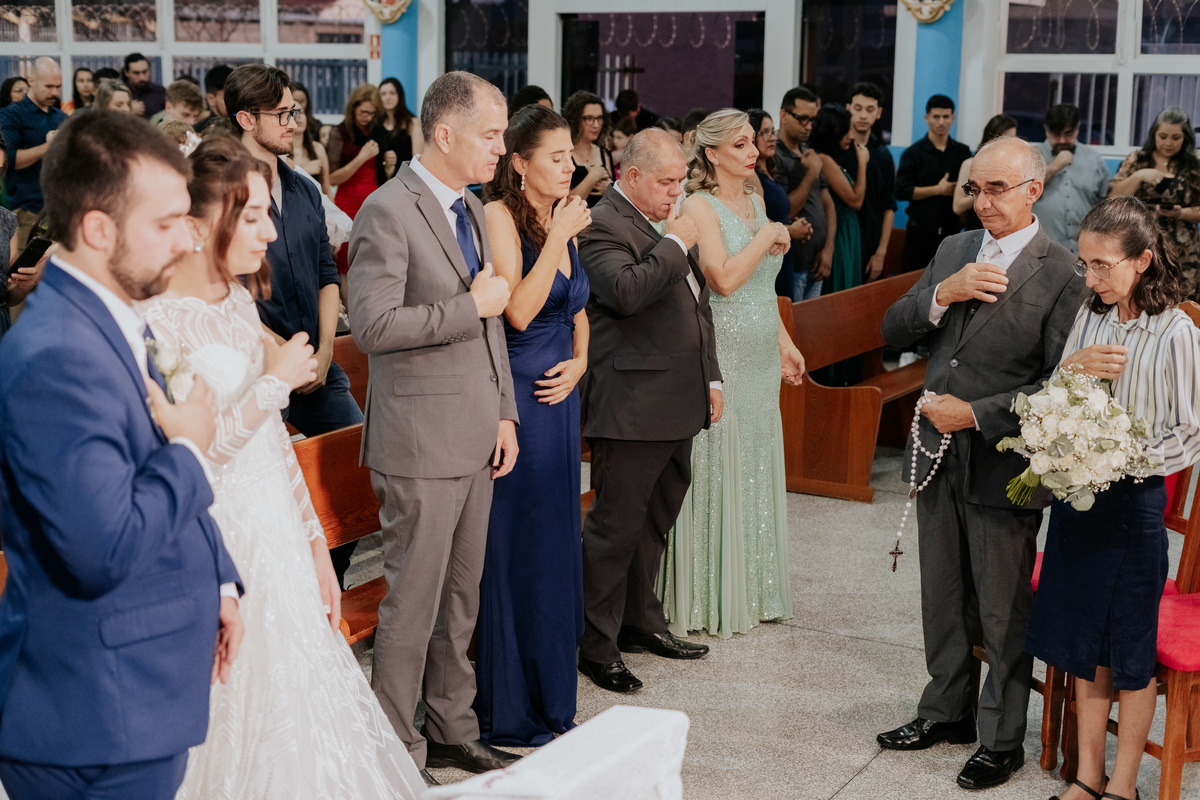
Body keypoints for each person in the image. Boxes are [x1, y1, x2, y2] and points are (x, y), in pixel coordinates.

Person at [144, 136, 424, 800]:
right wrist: (275, 383)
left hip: (274, 528)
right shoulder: (156, 323)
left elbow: (272, 441)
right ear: (202, 221)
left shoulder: (238, 304)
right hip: (216, 535)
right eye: (253, 217)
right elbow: (195, 455)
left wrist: (315, 546)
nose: (270, 233)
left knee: (300, 711)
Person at [0, 109, 243, 800]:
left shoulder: (115, 317)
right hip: (95, 716)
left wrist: (218, 580)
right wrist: (191, 448)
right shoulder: (57, 356)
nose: (187, 238)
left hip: (138, 691)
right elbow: (101, 546)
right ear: (98, 230)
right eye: (164, 224)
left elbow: (143, 464)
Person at [878, 137, 1084, 790]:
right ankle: (946, 711)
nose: (983, 202)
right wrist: (943, 293)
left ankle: (1001, 740)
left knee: (1001, 609)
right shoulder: (953, 249)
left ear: (1034, 189)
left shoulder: (1063, 273)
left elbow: (1063, 386)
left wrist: (977, 414)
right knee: (942, 595)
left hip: (1002, 459)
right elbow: (893, 328)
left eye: (997, 189)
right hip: (935, 451)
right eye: (975, 188)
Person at [347, 70, 521, 781]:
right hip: (419, 443)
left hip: (476, 433)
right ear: (444, 134)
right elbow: (372, 326)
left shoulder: (472, 207)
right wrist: (468, 307)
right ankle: (395, 746)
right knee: (413, 607)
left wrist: (504, 411)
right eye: (491, 134)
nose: (501, 148)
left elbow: (493, 324)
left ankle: (453, 727)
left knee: (460, 602)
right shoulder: (388, 210)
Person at [1030, 195, 1200, 800]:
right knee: (1084, 643)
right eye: (1085, 264)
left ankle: (1123, 786)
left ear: (1143, 260)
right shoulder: (1091, 315)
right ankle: (1088, 776)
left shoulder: (1176, 330)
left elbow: (1189, 433)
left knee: (1128, 651)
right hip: (1081, 501)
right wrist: (1071, 370)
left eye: (1103, 265)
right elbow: (1056, 394)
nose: (1090, 278)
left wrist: (1121, 460)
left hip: (1134, 507)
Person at [577, 128, 718, 694]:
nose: (677, 191)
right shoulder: (601, 223)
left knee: (654, 522)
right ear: (631, 176)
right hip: (631, 404)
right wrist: (676, 241)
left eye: (681, 180)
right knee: (614, 529)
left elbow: (698, 303)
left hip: (679, 397)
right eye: (667, 181)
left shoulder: (665, 221)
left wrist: (711, 375)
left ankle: (640, 622)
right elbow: (625, 291)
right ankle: (596, 646)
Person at [660, 109, 801, 639]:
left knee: (755, 462)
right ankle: (705, 595)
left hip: (761, 356)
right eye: (739, 144)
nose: (751, 150)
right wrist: (770, 236)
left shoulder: (757, 202)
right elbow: (720, 279)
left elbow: (762, 288)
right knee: (719, 461)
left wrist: (784, 342)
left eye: (752, 142)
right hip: (723, 352)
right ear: (712, 153)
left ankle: (751, 587)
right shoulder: (698, 204)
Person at [475, 104, 592, 746]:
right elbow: (517, 311)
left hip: (562, 397)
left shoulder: (562, 218)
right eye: (556, 156)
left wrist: (582, 362)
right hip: (518, 397)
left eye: (571, 155)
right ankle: (510, 705)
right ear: (519, 163)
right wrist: (555, 237)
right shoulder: (500, 216)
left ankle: (553, 698)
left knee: (555, 545)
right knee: (520, 545)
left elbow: (578, 309)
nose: (569, 165)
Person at [226, 64, 363, 585]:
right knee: (264, 497)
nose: (294, 123)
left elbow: (327, 273)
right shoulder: (224, 189)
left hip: (316, 362)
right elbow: (222, 289)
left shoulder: (303, 188)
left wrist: (325, 350)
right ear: (246, 119)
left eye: (295, 111)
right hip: (257, 367)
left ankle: (327, 584)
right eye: (282, 114)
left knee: (357, 469)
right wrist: (283, 354)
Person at [1109, 106, 1200, 302]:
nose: (1168, 143)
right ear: (1154, 134)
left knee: (1183, 304)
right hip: (1142, 243)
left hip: (1183, 250)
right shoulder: (1138, 159)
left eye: (1176, 138)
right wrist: (1139, 176)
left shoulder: (1194, 165)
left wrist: (1181, 213)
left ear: (1185, 138)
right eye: (1163, 136)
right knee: (1140, 298)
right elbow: (1113, 197)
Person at [896, 94, 972, 272]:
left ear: (952, 118)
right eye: (936, 116)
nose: (941, 122)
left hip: (952, 235)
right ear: (927, 117)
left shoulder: (962, 152)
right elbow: (901, 191)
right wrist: (937, 190)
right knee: (913, 283)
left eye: (945, 116)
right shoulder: (912, 153)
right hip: (919, 235)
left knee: (951, 282)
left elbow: (971, 188)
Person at [774, 86, 834, 301]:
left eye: (812, 120)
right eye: (802, 119)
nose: (808, 126)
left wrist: (828, 249)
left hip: (817, 261)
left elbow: (828, 204)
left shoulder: (808, 152)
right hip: (793, 263)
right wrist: (811, 173)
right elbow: (786, 211)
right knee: (795, 322)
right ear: (783, 115)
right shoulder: (775, 156)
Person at [0, 57, 65, 249]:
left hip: (59, 209)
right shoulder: (11, 115)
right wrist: (48, 147)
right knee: (23, 266)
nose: (54, 92)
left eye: (58, 86)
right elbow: (8, 160)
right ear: (31, 81)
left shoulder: (61, 117)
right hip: (25, 211)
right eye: (49, 86)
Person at [747, 108, 812, 298]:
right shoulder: (751, 175)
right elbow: (756, 219)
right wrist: (792, 230)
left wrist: (795, 225)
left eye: (773, 131)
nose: (772, 138)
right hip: (770, 251)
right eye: (765, 132)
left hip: (782, 251)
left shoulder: (768, 169)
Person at [1032, 104, 1111, 256]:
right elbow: (1022, 190)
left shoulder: (1093, 159)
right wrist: (1054, 166)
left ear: (1077, 129)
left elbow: (1105, 202)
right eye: (1056, 134)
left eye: (1068, 134)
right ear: (1046, 130)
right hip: (1042, 250)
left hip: (1085, 251)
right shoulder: (1031, 156)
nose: (1062, 140)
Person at [810, 104, 868, 295]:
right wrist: (862, 162)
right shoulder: (824, 159)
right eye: (845, 131)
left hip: (848, 230)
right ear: (832, 133)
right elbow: (856, 201)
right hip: (839, 231)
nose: (850, 136)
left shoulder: (832, 158)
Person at [842, 82, 896, 282]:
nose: (863, 115)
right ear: (848, 109)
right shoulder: (838, 150)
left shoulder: (883, 155)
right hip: (843, 242)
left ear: (879, 113)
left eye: (870, 109)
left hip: (872, 245)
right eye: (858, 108)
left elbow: (888, 207)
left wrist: (881, 252)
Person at [328, 83, 382, 282]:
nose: (367, 117)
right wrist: (361, 157)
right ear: (353, 108)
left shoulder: (377, 130)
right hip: (348, 203)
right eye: (363, 112)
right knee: (345, 262)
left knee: (373, 258)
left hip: (374, 201)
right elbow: (332, 177)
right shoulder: (339, 132)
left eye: (372, 113)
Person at [952, 114, 1018, 231]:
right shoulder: (971, 164)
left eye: (1013, 139)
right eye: (1006, 139)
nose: (1010, 144)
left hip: (1006, 227)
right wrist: (983, 191)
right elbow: (957, 206)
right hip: (978, 227)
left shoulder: (1015, 166)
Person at [564, 90, 613, 207]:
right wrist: (592, 177)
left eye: (599, 118)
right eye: (589, 118)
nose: (596, 125)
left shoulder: (604, 153)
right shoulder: (565, 154)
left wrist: (610, 190)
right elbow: (566, 204)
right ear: (576, 120)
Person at [375, 77, 422, 185]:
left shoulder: (412, 123)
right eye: (383, 94)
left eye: (392, 93)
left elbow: (418, 161)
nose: (388, 97)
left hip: (406, 184)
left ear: (400, 96)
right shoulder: (377, 124)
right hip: (382, 184)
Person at [291, 94, 332, 198]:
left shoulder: (318, 148)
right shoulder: (280, 152)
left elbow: (327, 190)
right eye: (293, 112)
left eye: (301, 112)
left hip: (318, 205)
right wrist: (304, 170)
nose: (299, 116)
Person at [124, 51, 166, 118]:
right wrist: (128, 109)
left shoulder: (161, 92)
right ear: (127, 73)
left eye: (144, 72)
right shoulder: (120, 93)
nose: (142, 77)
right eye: (136, 73)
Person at [194, 63, 233, 134]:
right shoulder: (199, 132)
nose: (235, 102)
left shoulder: (245, 125)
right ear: (211, 99)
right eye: (227, 98)